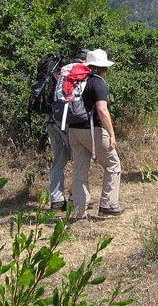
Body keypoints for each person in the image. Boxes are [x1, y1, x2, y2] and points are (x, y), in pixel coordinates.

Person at [66, 48, 124, 220]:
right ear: (102, 68)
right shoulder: (97, 82)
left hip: (74, 130)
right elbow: (102, 109)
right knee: (113, 165)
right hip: (92, 130)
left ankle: (78, 213)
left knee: (80, 171)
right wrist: (112, 134)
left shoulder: (77, 81)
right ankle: (108, 204)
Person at [49, 49, 90, 211]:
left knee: (58, 160)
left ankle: (56, 200)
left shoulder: (60, 70)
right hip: (70, 121)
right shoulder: (83, 72)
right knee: (79, 159)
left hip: (52, 119)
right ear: (85, 59)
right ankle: (75, 197)